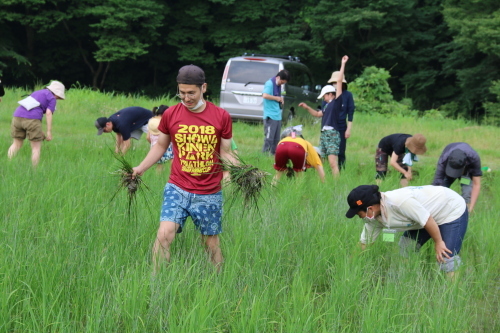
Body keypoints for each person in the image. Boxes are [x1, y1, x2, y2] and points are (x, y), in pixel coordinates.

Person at [132, 64, 237, 271]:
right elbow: (161, 145)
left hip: (209, 191)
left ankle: (220, 280)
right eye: (182, 93)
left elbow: (226, 152)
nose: (186, 98)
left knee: (210, 243)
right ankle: (156, 283)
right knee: (164, 234)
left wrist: (241, 170)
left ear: (203, 88)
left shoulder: (221, 116)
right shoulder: (171, 114)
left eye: (191, 93)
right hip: (178, 186)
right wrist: (141, 168)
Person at [346, 184, 468, 278]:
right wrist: (350, 266)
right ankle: (403, 281)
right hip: (425, 217)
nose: (360, 217)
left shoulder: (399, 202)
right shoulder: (373, 218)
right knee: (405, 247)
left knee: (446, 256)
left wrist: (439, 242)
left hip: (449, 209)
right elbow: (364, 243)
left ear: (370, 208)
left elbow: (427, 220)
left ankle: (452, 294)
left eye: (359, 214)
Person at [298, 55, 349, 178]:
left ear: (330, 94)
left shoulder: (336, 101)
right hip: (324, 134)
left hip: (332, 133)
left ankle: (336, 184)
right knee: (322, 160)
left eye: (324, 96)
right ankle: (325, 181)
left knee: (333, 163)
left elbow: (339, 81)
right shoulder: (326, 105)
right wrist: (307, 107)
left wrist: (343, 64)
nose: (324, 99)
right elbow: (317, 114)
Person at [7, 80, 65, 166]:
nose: (58, 98)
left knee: (16, 144)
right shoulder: (52, 98)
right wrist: (49, 131)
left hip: (17, 117)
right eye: (58, 97)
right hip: (32, 120)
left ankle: (8, 164)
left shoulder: (36, 92)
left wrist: (40, 131)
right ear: (56, 94)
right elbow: (48, 113)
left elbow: (34, 111)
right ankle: (34, 170)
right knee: (36, 148)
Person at [432, 142, 482, 213]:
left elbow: (476, 184)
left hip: (466, 171)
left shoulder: (473, 159)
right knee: (441, 188)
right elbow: (437, 182)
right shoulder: (444, 159)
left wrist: (471, 208)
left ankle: (465, 211)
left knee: (467, 191)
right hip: (448, 167)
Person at [327, 70, 355, 169]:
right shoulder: (328, 95)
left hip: (342, 126)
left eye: (337, 82)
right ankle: (330, 169)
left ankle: (341, 170)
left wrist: (348, 129)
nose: (335, 85)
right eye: (333, 83)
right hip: (329, 127)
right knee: (329, 151)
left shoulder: (348, 95)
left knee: (341, 151)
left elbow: (350, 112)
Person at [262, 69, 290, 155]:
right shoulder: (270, 83)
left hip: (277, 115)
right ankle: (265, 154)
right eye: (282, 81)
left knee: (276, 138)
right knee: (269, 137)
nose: (282, 83)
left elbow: (278, 95)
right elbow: (265, 95)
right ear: (278, 77)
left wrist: (281, 99)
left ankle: (273, 154)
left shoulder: (278, 85)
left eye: (284, 82)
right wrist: (276, 98)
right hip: (270, 115)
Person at [147, 105, 174, 173]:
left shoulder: (151, 121)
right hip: (167, 146)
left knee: (159, 164)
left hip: (154, 147)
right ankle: (173, 175)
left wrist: (154, 145)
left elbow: (148, 137)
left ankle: (158, 177)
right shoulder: (164, 122)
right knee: (172, 160)